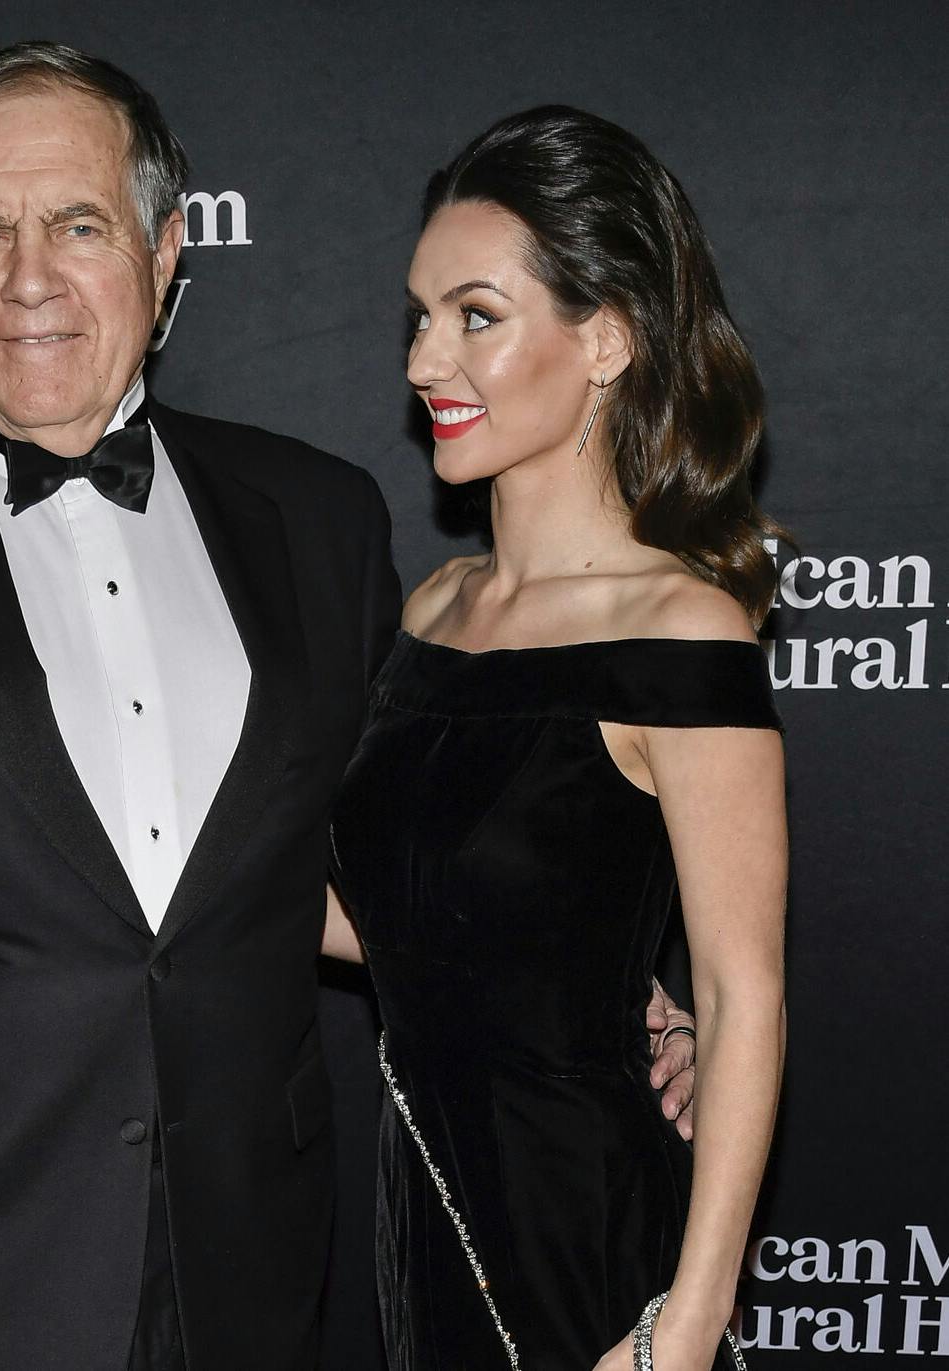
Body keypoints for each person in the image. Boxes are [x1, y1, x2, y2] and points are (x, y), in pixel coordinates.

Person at [0, 45, 698, 1370]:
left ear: (163, 255)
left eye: (78, 225)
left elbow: (400, 851)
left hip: (248, 1264)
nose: (27, 277)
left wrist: (607, 990)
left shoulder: (316, 520)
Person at [326, 107, 787, 1370]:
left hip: (591, 1239)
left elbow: (742, 993)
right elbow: (388, 918)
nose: (426, 360)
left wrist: (683, 1327)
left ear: (606, 341)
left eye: (476, 316)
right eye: (421, 316)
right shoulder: (435, 610)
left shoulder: (681, 634)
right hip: (429, 1211)